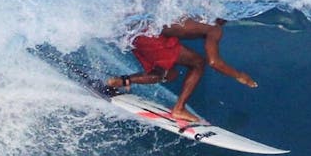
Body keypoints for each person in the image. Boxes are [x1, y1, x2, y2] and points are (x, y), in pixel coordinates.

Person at [106, 18, 258, 122]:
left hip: (137, 32)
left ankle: (120, 81)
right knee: (198, 63)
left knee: (167, 74)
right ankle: (179, 109)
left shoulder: (198, 16)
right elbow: (214, 62)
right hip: (151, 37)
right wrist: (239, 76)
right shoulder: (215, 28)